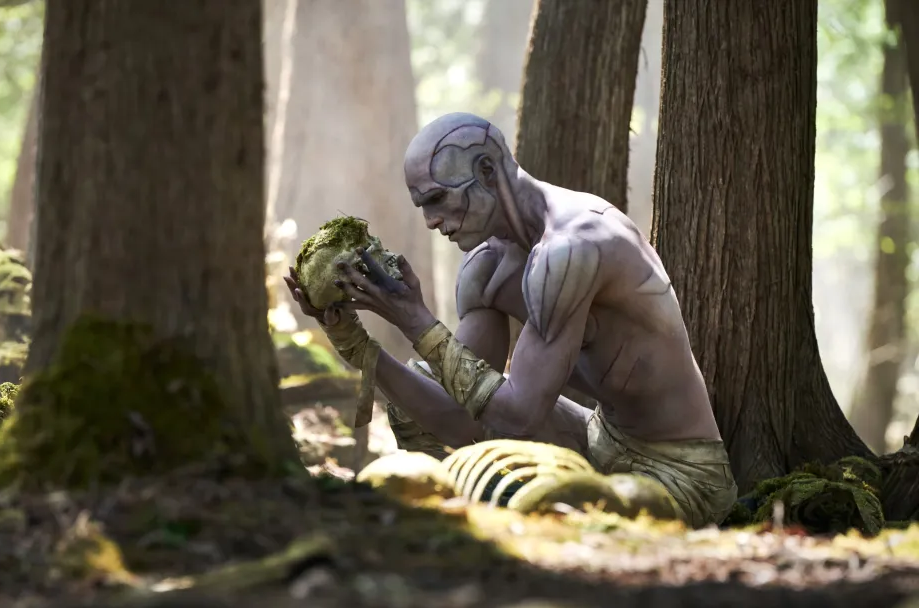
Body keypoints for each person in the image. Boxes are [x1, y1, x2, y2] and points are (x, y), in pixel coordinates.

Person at [284, 112, 736, 528]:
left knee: (526, 514)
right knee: (418, 400)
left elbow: (517, 417)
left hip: (681, 475)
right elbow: (464, 419)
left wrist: (416, 321)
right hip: (597, 441)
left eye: (438, 198)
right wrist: (354, 342)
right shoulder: (487, 267)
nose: (430, 221)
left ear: (486, 171)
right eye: (422, 204)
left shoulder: (574, 247)